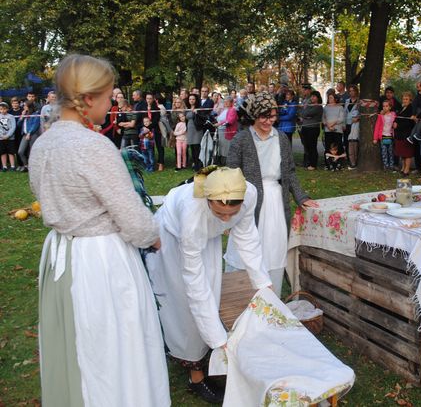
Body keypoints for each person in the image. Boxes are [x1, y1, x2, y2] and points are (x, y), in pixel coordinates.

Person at [29, 54, 170, 406]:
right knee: (110, 353)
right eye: (108, 97)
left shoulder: (42, 144)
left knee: (74, 346)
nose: (111, 105)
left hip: (60, 257)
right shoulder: (93, 146)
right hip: (99, 261)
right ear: (88, 99)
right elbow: (131, 216)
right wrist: (152, 236)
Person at [146, 167, 272, 404]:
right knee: (184, 303)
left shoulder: (250, 194)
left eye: (231, 214)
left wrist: (263, 283)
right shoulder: (192, 215)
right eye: (220, 213)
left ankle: (207, 350)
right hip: (172, 239)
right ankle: (195, 374)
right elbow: (195, 284)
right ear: (207, 200)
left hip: (208, 236)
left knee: (211, 296)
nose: (226, 219)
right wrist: (218, 339)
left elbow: (247, 237)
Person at [225, 92, 318, 295]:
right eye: (264, 116)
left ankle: (271, 299)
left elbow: (290, 172)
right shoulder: (241, 139)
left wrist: (301, 197)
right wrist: (230, 212)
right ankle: (242, 295)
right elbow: (230, 175)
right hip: (248, 201)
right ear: (254, 116)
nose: (269, 121)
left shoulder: (282, 138)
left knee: (273, 249)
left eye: (273, 116)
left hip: (276, 202)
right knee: (247, 246)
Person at [300, 90, 323, 170]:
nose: (312, 98)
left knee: (312, 146)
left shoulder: (318, 107)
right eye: (311, 96)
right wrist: (306, 115)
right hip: (305, 127)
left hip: (313, 128)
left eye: (314, 96)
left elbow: (306, 114)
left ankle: (313, 164)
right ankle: (308, 163)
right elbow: (302, 113)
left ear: (318, 98)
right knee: (307, 146)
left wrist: (306, 115)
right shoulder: (309, 105)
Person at [394, 91, 415, 176]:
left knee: (407, 153)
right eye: (403, 99)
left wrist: (398, 124)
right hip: (399, 133)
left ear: (410, 100)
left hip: (406, 133)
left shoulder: (411, 108)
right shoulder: (401, 108)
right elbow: (397, 117)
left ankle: (407, 169)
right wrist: (395, 122)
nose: (404, 100)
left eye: (406, 99)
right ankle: (403, 167)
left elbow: (409, 122)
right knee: (402, 152)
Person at [213, 96, 238, 163]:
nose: (226, 103)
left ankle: (228, 162)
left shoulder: (232, 110)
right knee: (223, 147)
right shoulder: (225, 110)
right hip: (221, 130)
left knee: (227, 147)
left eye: (228, 102)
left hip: (228, 131)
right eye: (225, 102)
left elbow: (229, 121)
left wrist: (220, 123)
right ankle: (223, 161)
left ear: (231, 102)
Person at [373, 100, 397, 171]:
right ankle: (386, 166)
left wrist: (394, 124)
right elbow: (377, 127)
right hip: (383, 136)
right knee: (384, 152)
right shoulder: (380, 116)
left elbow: (395, 122)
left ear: (390, 107)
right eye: (383, 106)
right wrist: (375, 138)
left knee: (390, 152)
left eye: (386, 106)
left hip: (390, 136)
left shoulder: (393, 114)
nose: (385, 108)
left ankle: (391, 165)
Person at [17, 101, 40, 171]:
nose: (23, 107)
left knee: (32, 151)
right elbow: (18, 125)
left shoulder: (35, 114)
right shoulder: (24, 114)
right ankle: (26, 165)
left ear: (29, 106)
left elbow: (35, 124)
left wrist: (29, 133)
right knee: (20, 151)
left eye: (25, 106)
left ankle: (33, 166)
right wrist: (21, 117)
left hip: (33, 134)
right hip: (24, 134)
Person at [185, 93, 204, 170]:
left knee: (197, 148)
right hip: (190, 130)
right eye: (190, 99)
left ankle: (198, 165)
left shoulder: (199, 108)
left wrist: (197, 113)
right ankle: (195, 163)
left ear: (196, 100)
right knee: (192, 148)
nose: (191, 100)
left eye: (193, 99)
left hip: (197, 130)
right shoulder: (187, 108)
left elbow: (203, 118)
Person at [0, 102, 17, 171]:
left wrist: (8, 135)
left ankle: (12, 166)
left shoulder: (11, 117)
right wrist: (1, 135)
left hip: (10, 138)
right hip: (1, 138)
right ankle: (4, 166)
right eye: (1, 109)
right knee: (2, 152)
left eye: (4, 109)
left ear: (7, 109)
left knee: (11, 152)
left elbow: (13, 127)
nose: (2, 111)